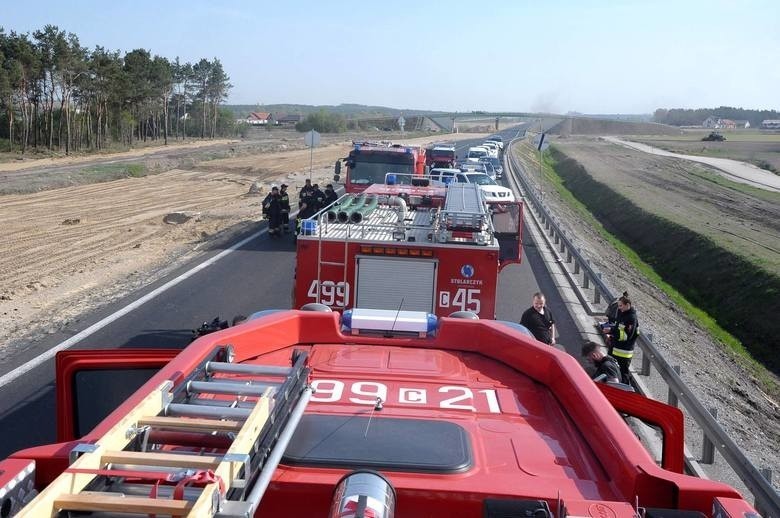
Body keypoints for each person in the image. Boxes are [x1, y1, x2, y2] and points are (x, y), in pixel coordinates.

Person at [608, 294, 639, 384]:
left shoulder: (631, 318)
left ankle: (625, 390)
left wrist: (611, 331)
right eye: (618, 305)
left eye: (621, 305)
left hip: (623, 353)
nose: (619, 308)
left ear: (627, 305)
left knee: (622, 373)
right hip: (616, 349)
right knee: (612, 370)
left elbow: (626, 336)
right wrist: (612, 331)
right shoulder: (622, 313)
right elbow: (619, 328)